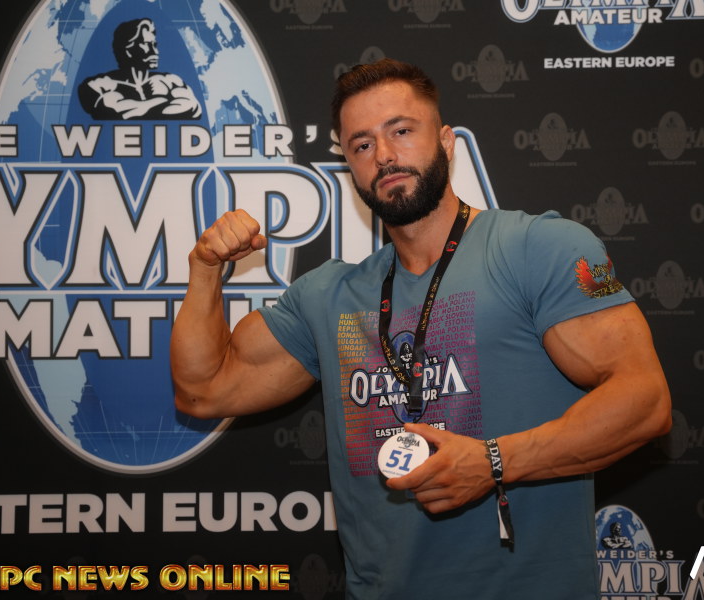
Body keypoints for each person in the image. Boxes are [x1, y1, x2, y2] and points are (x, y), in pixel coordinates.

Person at [170, 58, 671, 599]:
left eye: (402, 131)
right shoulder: (328, 297)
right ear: (349, 166)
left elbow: (644, 400)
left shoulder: (539, 249)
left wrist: (494, 462)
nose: (384, 155)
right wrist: (204, 269)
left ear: (447, 142)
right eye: (362, 144)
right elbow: (202, 390)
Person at [78, 18, 202, 120]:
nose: (155, 52)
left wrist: (142, 107)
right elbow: (115, 112)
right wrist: (161, 100)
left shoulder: (170, 81)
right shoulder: (98, 86)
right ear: (128, 50)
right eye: (147, 45)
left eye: (154, 45)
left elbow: (192, 108)